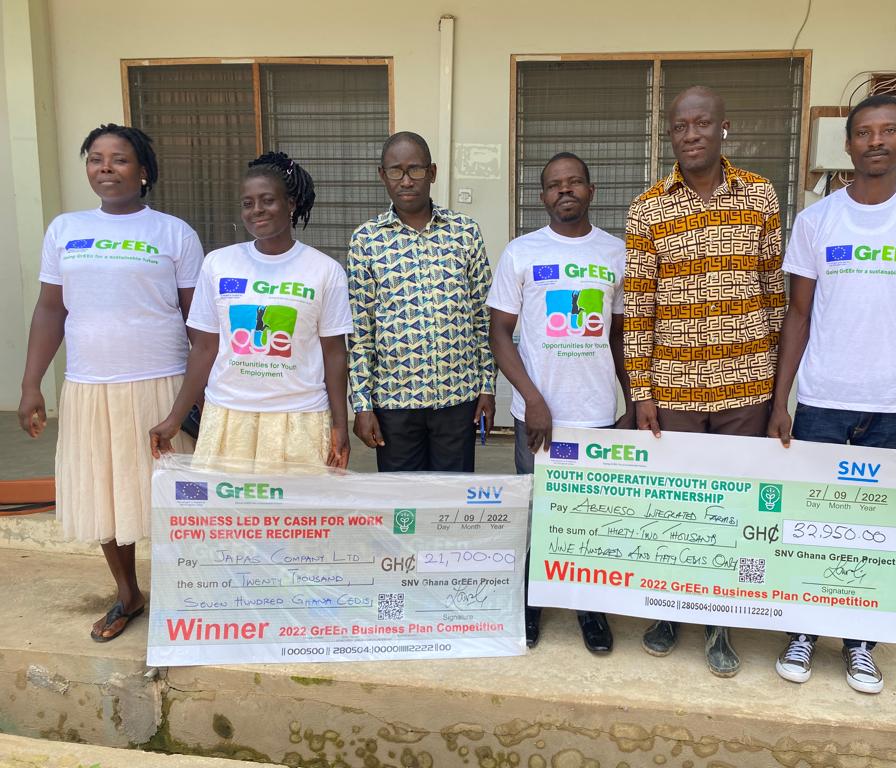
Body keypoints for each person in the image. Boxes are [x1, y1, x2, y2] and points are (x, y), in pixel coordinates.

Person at [768, 94, 896, 694]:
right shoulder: (817, 221)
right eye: (865, 132)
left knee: (875, 529)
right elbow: (798, 315)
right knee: (812, 520)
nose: (876, 141)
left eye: (889, 131)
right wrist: (782, 400)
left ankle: (859, 644)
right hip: (823, 399)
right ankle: (803, 631)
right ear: (848, 144)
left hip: (893, 404)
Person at [18, 124, 203, 642]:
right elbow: (50, 310)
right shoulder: (65, 229)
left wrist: (205, 390)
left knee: (175, 496)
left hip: (162, 385)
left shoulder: (173, 233)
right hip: (89, 386)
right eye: (95, 158)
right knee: (105, 493)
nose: (105, 167)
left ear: (143, 171)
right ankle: (128, 594)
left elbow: (199, 323)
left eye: (119, 159)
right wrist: (31, 384)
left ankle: (190, 595)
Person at [623, 86, 785, 676]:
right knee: (676, 507)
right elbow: (638, 309)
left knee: (733, 506)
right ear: (670, 134)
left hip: (747, 385)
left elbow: (775, 293)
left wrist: (777, 392)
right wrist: (641, 393)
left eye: (702, 123)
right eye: (680, 126)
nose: (691, 134)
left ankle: (720, 621)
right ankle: (670, 611)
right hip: (674, 390)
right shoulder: (647, 208)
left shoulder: (760, 196)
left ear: (723, 127)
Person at [488, 152, 633, 653]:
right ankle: (531, 601)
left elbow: (619, 337)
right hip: (537, 416)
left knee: (589, 516)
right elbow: (500, 334)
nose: (564, 191)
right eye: (554, 185)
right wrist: (532, 399)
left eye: (574, 182)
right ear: (542, 196)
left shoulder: (616, 253)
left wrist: (631, 401)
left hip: (596, 414)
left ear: (591, 190)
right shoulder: (521, 253)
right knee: (537, 512)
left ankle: (589, 608)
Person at [150, 152, 352, 470]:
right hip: (228, 414)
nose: (256, 209)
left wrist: (340, 423)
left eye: (267, 200)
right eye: (248, 203)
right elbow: (204, 348)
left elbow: (334, 352)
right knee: (228, 503)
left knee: (296, 504)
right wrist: (175, 418)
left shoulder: (325, 271)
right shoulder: (218, 264)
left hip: (299, 417)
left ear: (291, 203)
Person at [347, 131, 495, 471]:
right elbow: (360, 331)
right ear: (382, 175)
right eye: (395, 171)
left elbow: (482, 318)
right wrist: (362, 404)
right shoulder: (366, 240)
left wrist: (487, 387)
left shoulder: (465, 232)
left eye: (415, 169)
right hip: (394, 401)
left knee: (453, 498)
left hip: (458, 397)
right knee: (403, 499)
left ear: (432, 172)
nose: (406, 180)